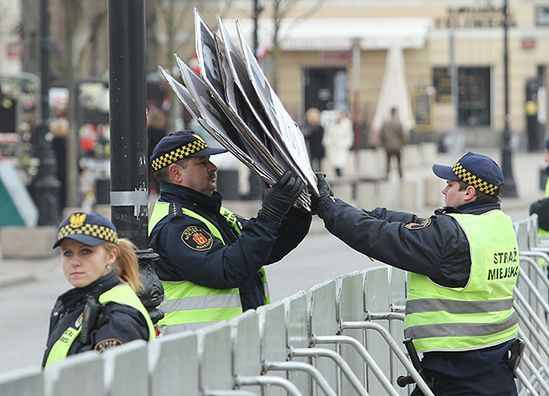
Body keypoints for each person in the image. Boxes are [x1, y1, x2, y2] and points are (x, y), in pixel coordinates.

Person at [312, 151, 521, 395]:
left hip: (459, 376)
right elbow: (414, 225)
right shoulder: (497, 224)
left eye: (450, 184)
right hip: (493, 366)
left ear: (469, 192)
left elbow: (380, 237)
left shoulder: (451, 236)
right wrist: (344, 208)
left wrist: (328, 209)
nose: (444, 191)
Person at [148, 130, 310, 334]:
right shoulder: (176, 225)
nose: (213, 167)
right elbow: (228, 269)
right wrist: (270, 213)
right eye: (202, 162)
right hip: (198, 350)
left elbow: (265, 248)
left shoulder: (211, 213)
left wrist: (298, 208)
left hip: (229, 344)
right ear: (176, 173)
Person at [42, 212, 155, 369]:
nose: (74, 262)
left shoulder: (118, 315)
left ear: (111, 256)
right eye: (68, 253)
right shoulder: (77, 301)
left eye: (86, 251)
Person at [322, 109, 353, 177]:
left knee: (341, 163)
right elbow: (328, 135)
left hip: (341, 147)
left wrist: (345, 144)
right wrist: (328, 143)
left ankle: (340, 175)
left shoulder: (347, 124)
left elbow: (349, 136)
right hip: (333, 147)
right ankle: (337, 174)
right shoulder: (331, 124)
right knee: (334, 164)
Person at [379, 106, 406, 180]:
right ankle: (400, 175)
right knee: (399, 162)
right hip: (397, 146)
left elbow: (381, 134)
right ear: (395, 113)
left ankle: (387, 175)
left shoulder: (385, 123)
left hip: (388, 146)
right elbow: (402, 135)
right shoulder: (399, 122)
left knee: (388, 162)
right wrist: (402, 143)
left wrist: (383, 143)